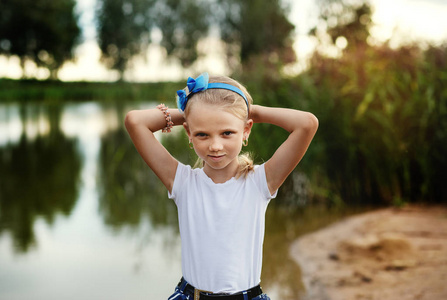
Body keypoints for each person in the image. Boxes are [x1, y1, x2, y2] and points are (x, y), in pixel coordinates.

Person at [124, 73, 318, 300]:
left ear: (246, 130)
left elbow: (307, 124)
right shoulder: (183, 182)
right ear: (188, 134)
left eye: (227, 132)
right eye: (202, 134)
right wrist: (192, 113)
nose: (215, 146)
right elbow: (135, 122)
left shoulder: (259, 182)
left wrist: (247, 110)